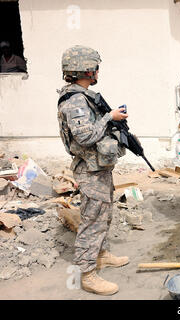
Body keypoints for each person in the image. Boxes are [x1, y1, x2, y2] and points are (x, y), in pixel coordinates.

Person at [57, 45, 130, 295]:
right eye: (95, 67)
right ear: (86, 70)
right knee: (92, 220)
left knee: (104, 214)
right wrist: (109, 117)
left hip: (98, 167)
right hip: (89, 170)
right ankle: (87, 274)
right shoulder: (75, 100)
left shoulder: (84, 95)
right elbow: (86, 135)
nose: (98, 71)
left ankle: (102, 254)